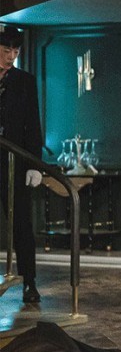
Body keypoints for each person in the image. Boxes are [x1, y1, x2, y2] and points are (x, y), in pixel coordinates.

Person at [0, 25, 43, 304]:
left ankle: (30, 282)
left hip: (14, 162)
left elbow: (32, 124)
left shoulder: (25, 81)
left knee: (22, 224)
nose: (11, 57)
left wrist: (34, 164)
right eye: (6, 50)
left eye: (15, 51)